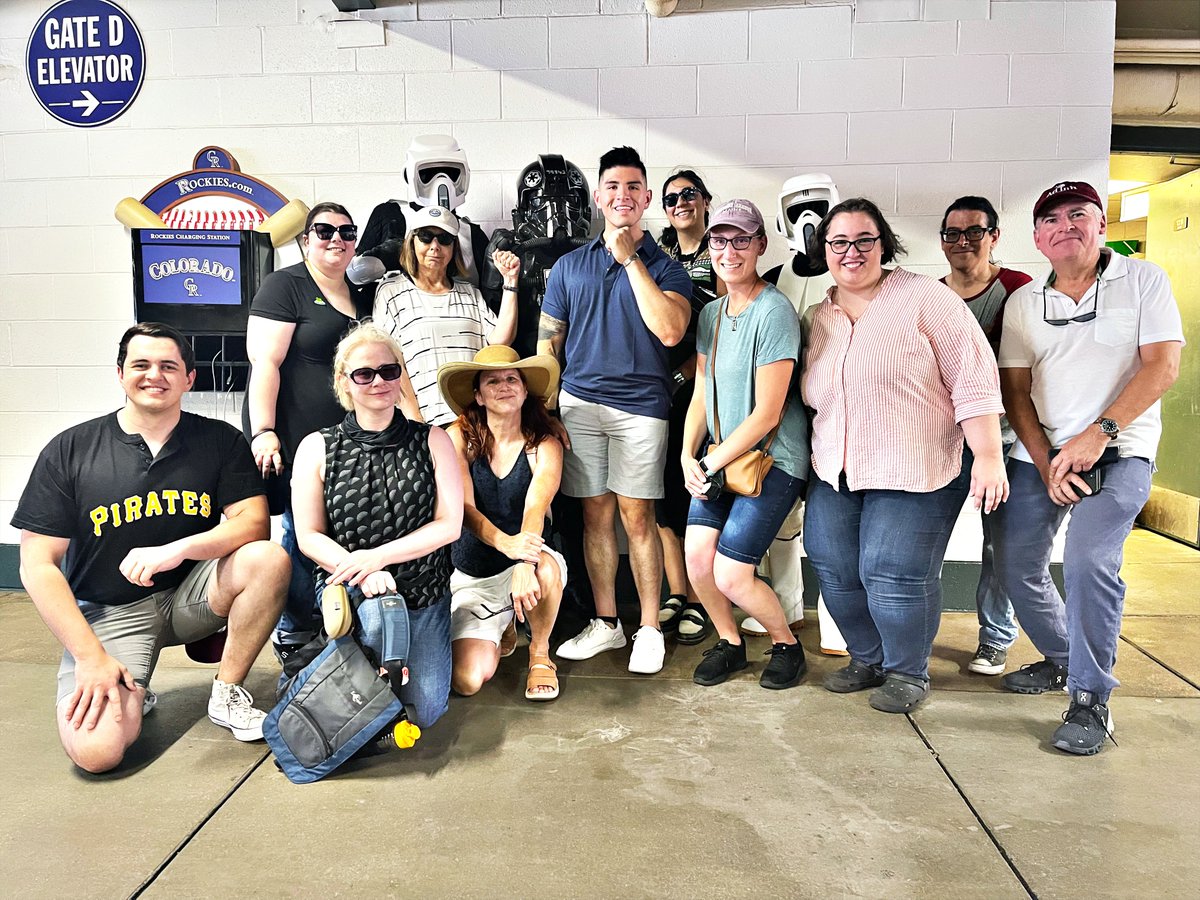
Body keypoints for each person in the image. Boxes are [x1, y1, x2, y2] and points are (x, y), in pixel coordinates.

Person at [12, 323, 289, 773]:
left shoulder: (219, 440)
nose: (153, 375)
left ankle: (227, 693)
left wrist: (177, 549)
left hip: (191, 597)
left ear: (188, 379)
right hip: (112, 611)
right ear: (120, 374)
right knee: (96, 753)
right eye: (140, 364)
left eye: (168, 366)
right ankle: (132, 686)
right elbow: (37, 564)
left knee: (269, 559)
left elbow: (253, 524)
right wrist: (89, 657)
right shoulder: (72, 449)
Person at [993, 180, 1183, 755]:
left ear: (1101, 224)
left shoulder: (1142, 280)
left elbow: (1162, 367)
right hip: (1042, 456)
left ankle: (1091, 697)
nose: (1065, 225)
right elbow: (1016, 390)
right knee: (1016, 563)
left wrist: (1098, 435)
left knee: (1087, 561)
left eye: (1079, 213)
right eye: (1050, 219)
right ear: (1036, 238)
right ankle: (1062, 658)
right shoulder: (1025, 302)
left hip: (1119, 450)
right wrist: (1049, 457)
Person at [802, 198, 1008, 714]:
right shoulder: (817, 316)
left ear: (883, 244)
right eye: (839, 242)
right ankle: (867, 658)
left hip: (917, 465)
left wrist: (987, 455)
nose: (852, 252)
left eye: (864, 240)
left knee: (892, 571)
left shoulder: (924, 298)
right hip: (837, 468)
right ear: (824, 250)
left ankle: (906, 671)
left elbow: (973, 376)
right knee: (834, 565)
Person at [538, 146, 692, 676]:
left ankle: (648, 628)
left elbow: (670, 330)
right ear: (599, 197)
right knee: (595, 516)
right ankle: (608, 623)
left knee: (638, 518)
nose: (622, 196)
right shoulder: (568, 267)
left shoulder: (668, 269)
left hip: (642, 409)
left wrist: (629, 260)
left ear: (646, 197)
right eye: (612, 187)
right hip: (580, 405)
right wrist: (546, 408)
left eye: (633, 187)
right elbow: (548, 345)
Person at [244, 202, 419, 661]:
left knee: (341, 531)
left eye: (345, 231)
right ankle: (295, 634)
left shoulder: (361, 293)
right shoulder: (285, 286)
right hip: (298, 440)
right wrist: (263, 430)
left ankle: (338, 627)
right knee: (301, 536)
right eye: (324, 231)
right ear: (306, 239)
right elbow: (265, 363)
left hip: (354, 444)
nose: (335, 239)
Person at [290, 323, 463, 731]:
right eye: (364, 374)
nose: (378, 382)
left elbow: (449, 524)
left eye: (388, 371)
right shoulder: (317, 446)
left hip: (421, 587)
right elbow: (309, 535)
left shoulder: (434, 440)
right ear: (344, 382)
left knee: (425, 708)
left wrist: (378, 558)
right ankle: (336, 661)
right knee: (380, 626)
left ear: (400, 374)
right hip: (350, 585)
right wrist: (361, 571)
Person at [679, 199, 810, 690]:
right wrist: (688, 456)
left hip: (773, 460)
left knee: (733, 574)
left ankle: (785, 645)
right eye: (719, 240)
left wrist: (710, 461)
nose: (728, 250)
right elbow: (700, 393)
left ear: (759, 245)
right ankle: (730, 642)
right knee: (698, 559)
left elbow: (768, 413)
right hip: (720, 460)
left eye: (740, 240)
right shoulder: (711, 313)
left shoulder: (774, 311)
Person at [437, 346, 567, 702]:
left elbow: (536, 506)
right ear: (478, 395)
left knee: (546, 569)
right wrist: (503, 543)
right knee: (467, 680)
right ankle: (505, 622)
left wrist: (524, 558)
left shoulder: (545, 445)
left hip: (526, 558)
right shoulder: (456, 439)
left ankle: (540, 654)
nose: (504, 385)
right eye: (492, 381)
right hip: (473, 573)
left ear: (525, 391)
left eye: (512, 378)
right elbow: (463, 508)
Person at [938, 196, 1033, 677]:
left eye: (973, 232)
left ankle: (995, 640)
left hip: (1003, 443)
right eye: (952, 233)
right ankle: (909, 633)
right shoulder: (931, 295)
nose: (962, 242)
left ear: (994, 236)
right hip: (940, 443)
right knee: (921, 540)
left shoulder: (1019, 291)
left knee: (999, 545)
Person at [756, 172, 847, 654]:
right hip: (787, 416)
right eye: (797, 210)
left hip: (839, 416)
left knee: (832, 527)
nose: (807, 220)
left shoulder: (852, 271)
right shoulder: (773, 280)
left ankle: (839, 624)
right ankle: (786, 604)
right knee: (784, 520)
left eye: (816, 207)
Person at [656, 169, 723, 647]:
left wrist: (683, 375)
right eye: (672, 197)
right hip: (654, 390)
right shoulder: (655, 253)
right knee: (660, 494)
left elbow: (725, 323)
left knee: (697, 489)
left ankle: (702, 597)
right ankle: (677, 591)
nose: (681, 202)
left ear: (705, 201)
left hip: (699, 386)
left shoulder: (722, 251)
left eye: (689, 194)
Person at [374, 206, 518, 428]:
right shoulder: (391, 291)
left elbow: (500, 341)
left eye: (444, 239)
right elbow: (389, 362)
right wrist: (416, 423)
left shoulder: (469, 292)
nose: (435, 246)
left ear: (453, 247)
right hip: (425, 423)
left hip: (476, 421)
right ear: (412, 242)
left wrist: (510, 281)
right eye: (425, 237)